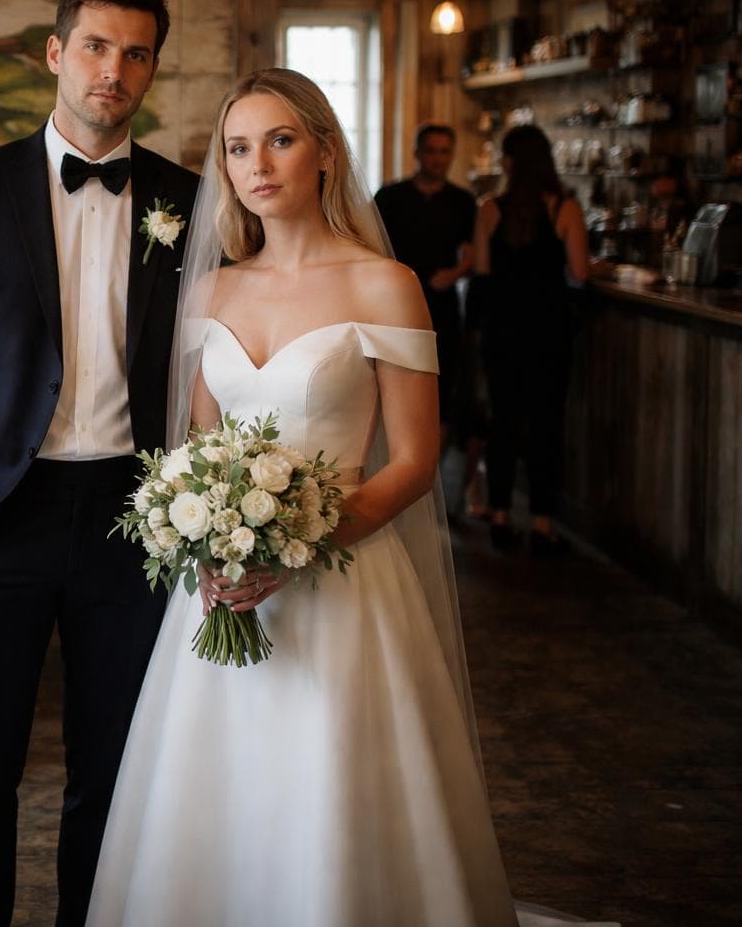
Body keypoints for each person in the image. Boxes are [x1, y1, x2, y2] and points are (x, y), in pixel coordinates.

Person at [85, 71, 608, 927]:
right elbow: (197, 452)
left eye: (281, 140)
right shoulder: (212, 289)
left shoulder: (384, 284)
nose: (259, 164)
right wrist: (212, 549)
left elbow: (413, 459)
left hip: (344, 582)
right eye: (239, 147)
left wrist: (300, 544)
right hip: (221, 587)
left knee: (329, 784)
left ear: (325, 152)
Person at [0, 0, 200, 927]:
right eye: (98, 47)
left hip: (136, 520)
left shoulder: (190, 203)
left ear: (153, 66)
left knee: (110, 773)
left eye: (137, 52)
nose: (115, 70)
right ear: (57, 54)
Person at [471, 124, 590, 555]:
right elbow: (580, 272)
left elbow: (482, 272)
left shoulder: (489, 208)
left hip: (503, 330)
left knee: (503, 422)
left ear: (512, 162)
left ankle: (500, 514)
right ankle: (542, 522)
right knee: (546, 425)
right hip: (548, 331)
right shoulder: (565, 209)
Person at [375, 123, 477, 445]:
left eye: (444, 152)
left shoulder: (462, 201)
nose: (437, 159)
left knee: (441, 383)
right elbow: (371, 247)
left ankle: (434, 466)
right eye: (431, 151)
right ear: (416, 153)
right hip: (394, 305)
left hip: (442, 304)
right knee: (394, 381)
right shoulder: (390, 197)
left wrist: (455, 273)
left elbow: (474, 254)